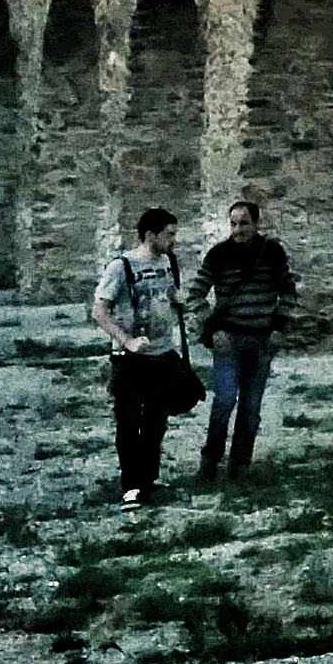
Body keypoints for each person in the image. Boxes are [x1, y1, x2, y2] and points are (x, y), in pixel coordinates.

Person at [185, 197, 297, 483]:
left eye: (244, 223)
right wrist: (213, 330)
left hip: (261, 341)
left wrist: (279, 328)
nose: (238, 230)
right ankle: (210, 460)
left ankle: (240, 465)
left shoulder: (272, 252)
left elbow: (288, 292)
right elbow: (195, 294)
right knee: (223, 401)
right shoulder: (218, 254)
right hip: (229, 340)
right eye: (233, 224)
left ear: (257, 223)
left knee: (251, 407)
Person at [91, 207, 194, 505]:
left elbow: (169, 296)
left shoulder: (169, 261)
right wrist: (127, 340)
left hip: (163, 354)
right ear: (150, 235)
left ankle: (148, 481)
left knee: (156, 421)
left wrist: (177, 300)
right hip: (129, 358)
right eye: (169, 234)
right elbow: (99, 311)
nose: (174, 240)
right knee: (129, 420)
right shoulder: (121, 267)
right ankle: (131, 486)